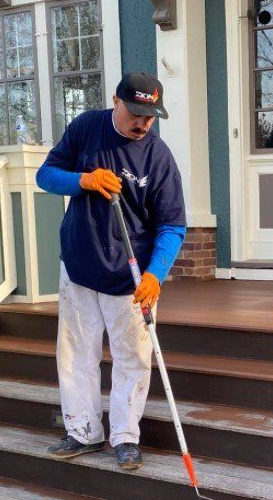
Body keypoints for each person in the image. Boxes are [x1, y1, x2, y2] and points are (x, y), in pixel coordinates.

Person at [35, 72, 186, 471]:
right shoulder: (86, 128)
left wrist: (155, 275)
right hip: (79, 265)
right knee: (76, 355)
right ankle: (82, 431)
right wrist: (81, 180)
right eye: (136, 113)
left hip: (131, 277)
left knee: (132, 358)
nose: (143, 123)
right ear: (115, 102)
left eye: (150, 116)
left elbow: (172, 226)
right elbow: (45, 175)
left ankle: (124, 437)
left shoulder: (158, 157)